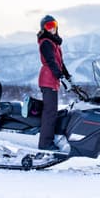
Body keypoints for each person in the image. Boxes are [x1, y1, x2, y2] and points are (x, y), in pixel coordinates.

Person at [37, 15, 71, 151]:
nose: (52, 28)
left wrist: (68, 77)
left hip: (52, 79)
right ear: (44, 28)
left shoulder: (54, 43)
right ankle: (45, 144)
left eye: (53, 25)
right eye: (48, 26)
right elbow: (51, 62)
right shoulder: (46, 42)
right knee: (50, 113)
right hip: (48, 79)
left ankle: (53, 138)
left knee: (52, 112)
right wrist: (61, 77)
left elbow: (60, 63)